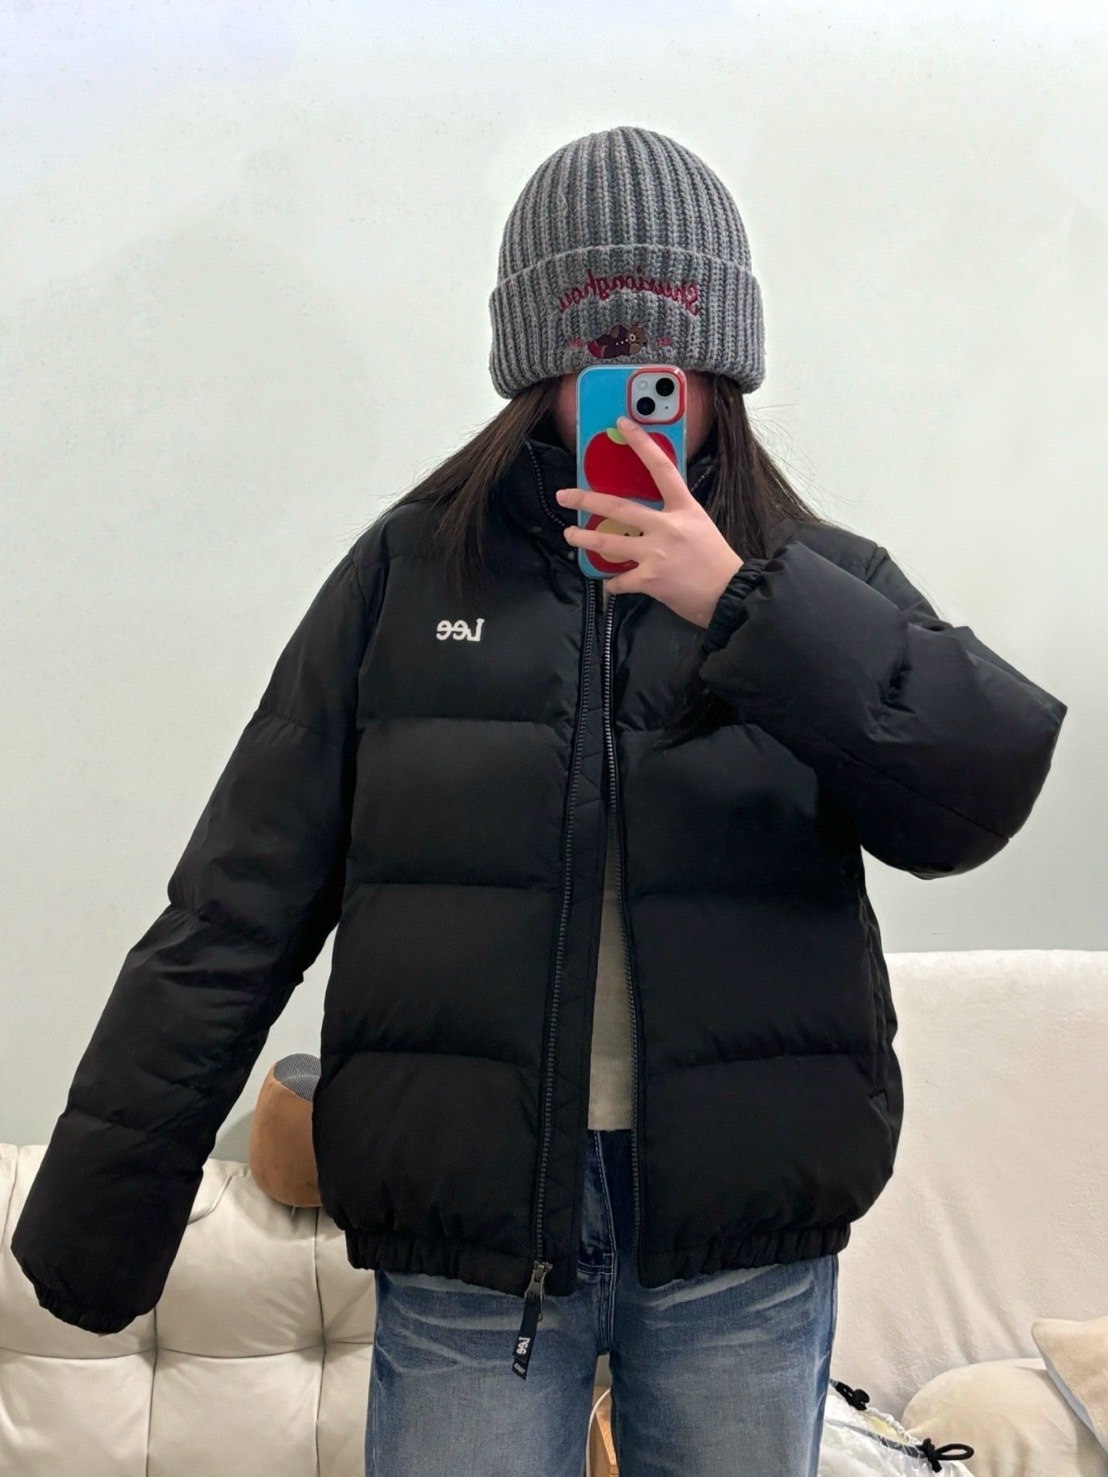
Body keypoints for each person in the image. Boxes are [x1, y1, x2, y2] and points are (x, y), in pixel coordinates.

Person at [11, 126, 1068, 1476]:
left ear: (723, 361)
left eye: (668, 360)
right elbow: (235, 901)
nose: (638, 395)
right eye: (602, 356)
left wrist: (739, 603)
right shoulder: (407, 577)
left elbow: (979, 785)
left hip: (742, 1242)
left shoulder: (815, 585)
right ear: (537, 362)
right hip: (473, 1237)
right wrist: (103, 1209)